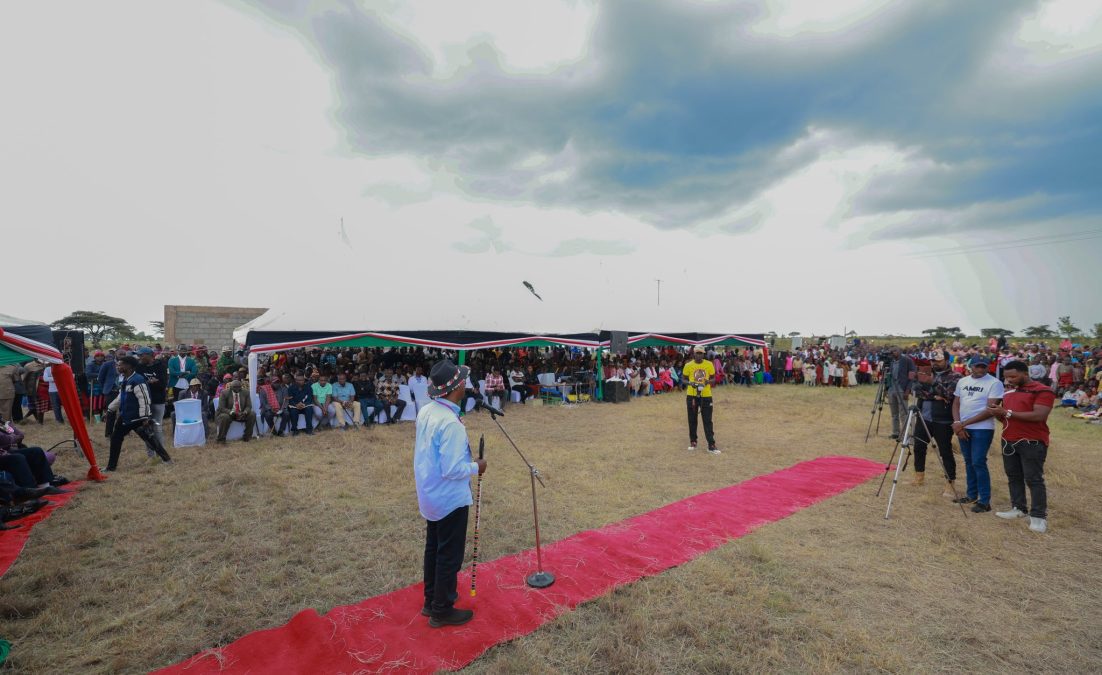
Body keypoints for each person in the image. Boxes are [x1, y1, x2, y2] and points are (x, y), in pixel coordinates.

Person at [414, 359, 487, 627]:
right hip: (448, 497)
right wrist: (477, 466)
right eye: (463, 381)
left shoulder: (427, 411)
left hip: (430, 492)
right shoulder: (449, 422)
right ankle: (441, 609)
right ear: (456, 388)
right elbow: (453, 469)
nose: (466, 385)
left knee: (434, 548)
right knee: (448, 554)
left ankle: (431, 600)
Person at [989, 361, 1056, 533]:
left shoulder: (1043, 390)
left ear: (1025, 373)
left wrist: (1007, 412)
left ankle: (1038, 517)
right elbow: (1006, 418)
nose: (1009, 380)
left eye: (1013, 376)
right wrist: (998, 412)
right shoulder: (1008, 393)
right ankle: (1018, 508)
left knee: (1033, 479)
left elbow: (1039, 415)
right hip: (1009, 440)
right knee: (1013, 476)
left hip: (1032, 441)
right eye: (1006, 377)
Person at [950, 357, 1005, 513]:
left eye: (983, 367)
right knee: (969, 461)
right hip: (962, 427)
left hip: (982, 429)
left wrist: (962, 424)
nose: (980, 369)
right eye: (977, 366)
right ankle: (971, 495)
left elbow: (990, 410)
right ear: (970, 366)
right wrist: (957, 423)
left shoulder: (994, 383)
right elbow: (956, 403)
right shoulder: (962, 381)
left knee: (978, 462)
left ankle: (984, 501)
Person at [105, 356, 172, 471]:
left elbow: (144, 399)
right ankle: (111, 467)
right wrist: (110, 409)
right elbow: (121, 397)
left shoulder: (137, 380)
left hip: (138, 418)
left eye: (120, 365)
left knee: (150, 440)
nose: (118, 367)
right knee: (116, 439)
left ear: (129, 366)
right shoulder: (126, 379)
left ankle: (167, 460)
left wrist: (145, 417)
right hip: (125, 416)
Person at [911, 351, 960, 497]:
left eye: (938, 360)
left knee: (945, 451)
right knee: (919, 447)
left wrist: (932, 383)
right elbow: (918, 391)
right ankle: (919, 477)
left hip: (943, 420)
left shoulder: (955, 377)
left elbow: (949, 395)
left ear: (947, 360)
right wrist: (935, 396)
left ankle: (950, 482)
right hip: (923, 418)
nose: (934, 363)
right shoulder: (925, 372)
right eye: (932, 360)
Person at [683, 346, 719, 454]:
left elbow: (713, 378)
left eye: (701, 353)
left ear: (704, 354)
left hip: (706, 395)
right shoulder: (688, 365)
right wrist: (691, 383)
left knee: (707, 420)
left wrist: (708, 382)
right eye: (697, 353)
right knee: (692, 419)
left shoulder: (709, 364)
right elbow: (683, 379)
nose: (699, 355)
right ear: (694, 354)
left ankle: (711, 445)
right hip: (692, 395)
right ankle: (693, 441)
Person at [134, 346, 168, 450]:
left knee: (157, 426)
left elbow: (163, 384)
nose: (139, 357)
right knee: (146, 427)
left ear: (149, 355)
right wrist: (151, 382)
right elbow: (138, 382)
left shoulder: (160, 365)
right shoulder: (139, 367)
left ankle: (161, 452)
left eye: (141, 355)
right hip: (144, 401)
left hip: (158, 401)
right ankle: (150, 453)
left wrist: (148, 383)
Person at [887, 347, 916, 440]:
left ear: (900, 351)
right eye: (891, 351)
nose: (893, 352)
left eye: (895, 350)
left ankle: (905, 434)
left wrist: (908, 390)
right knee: (894, 413)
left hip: (902, 389)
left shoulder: (907, 360)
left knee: (903, 413)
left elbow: (912, 376)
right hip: (891, 389)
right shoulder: (891, 362)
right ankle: (896, 432)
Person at [216, 379, 256, 443]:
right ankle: (221, 439)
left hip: (241, 413)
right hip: (229, 413)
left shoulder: (246, 392)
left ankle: (247, 437)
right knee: (224, 417)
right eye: (235, 387)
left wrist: (245, 412)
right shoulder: (224, 393)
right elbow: (221, 408)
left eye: (239, 387)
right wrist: (232, 412)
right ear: (231, 387)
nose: (237, 389)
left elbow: (249, 406)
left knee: (252, 414)